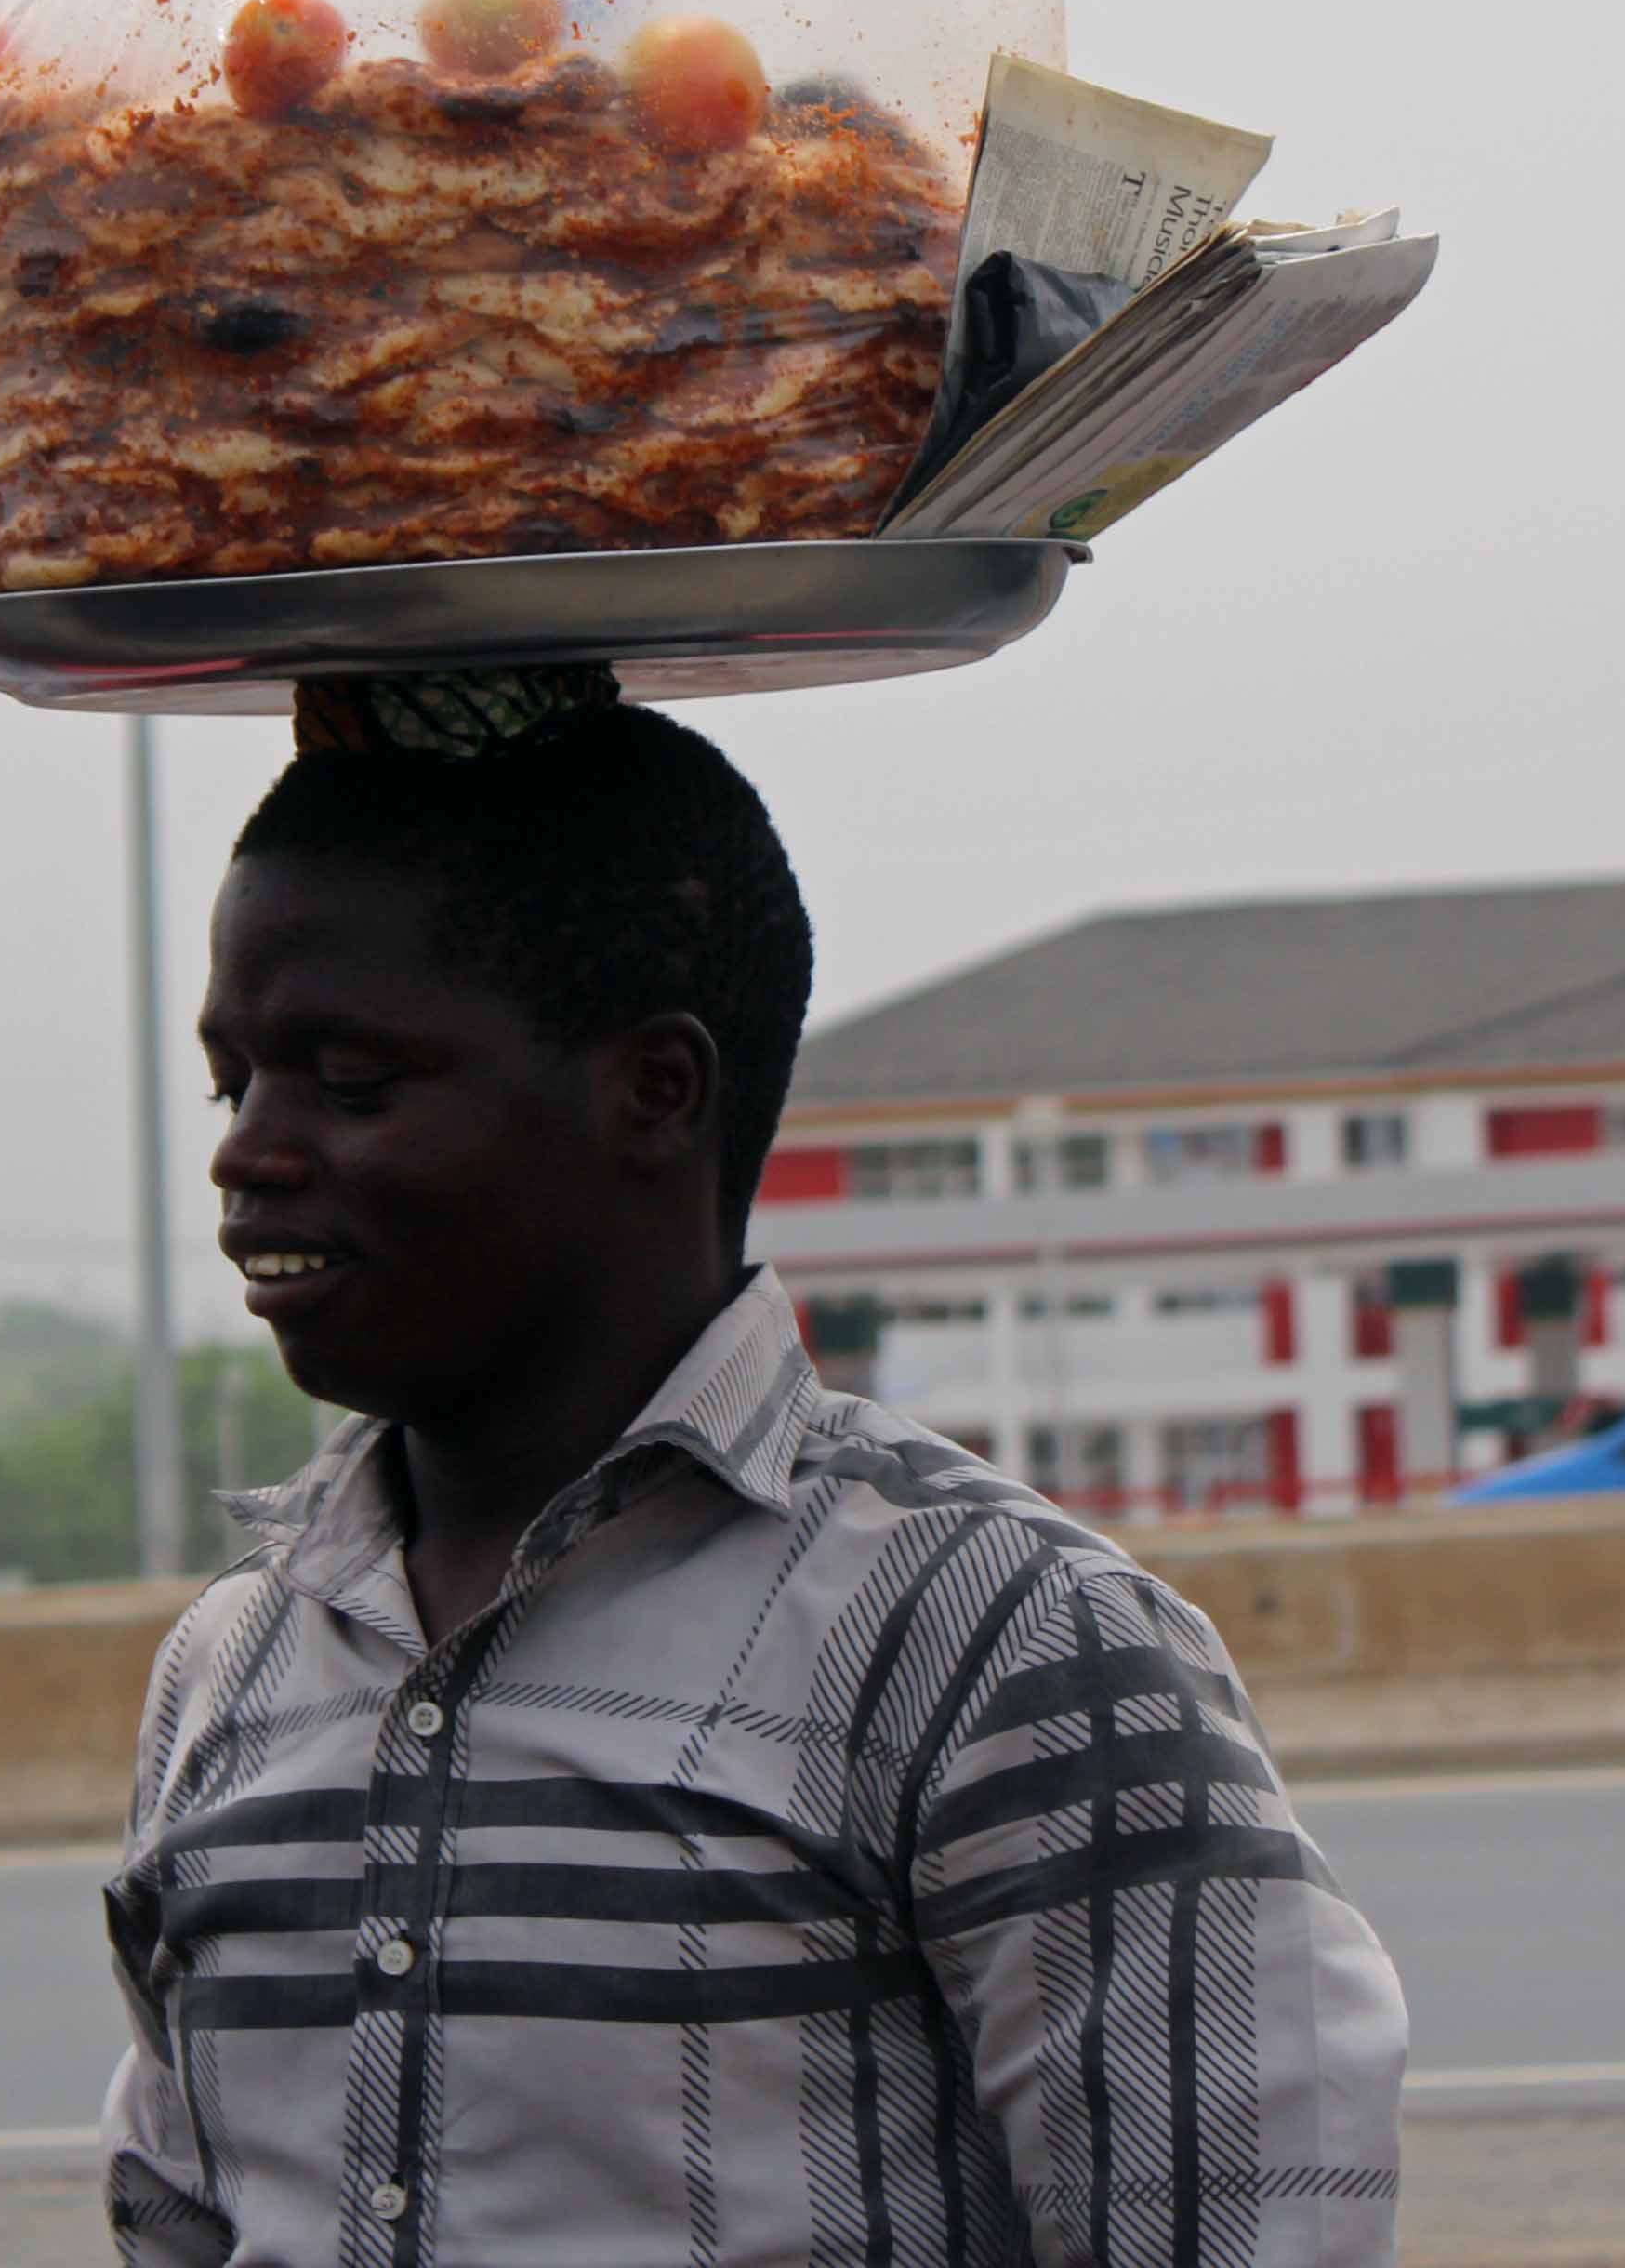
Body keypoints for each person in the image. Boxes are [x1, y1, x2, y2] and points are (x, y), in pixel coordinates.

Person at [100, 699, 1407, 2267]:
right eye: (232, 1082)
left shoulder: (994, 1642)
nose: (252, 1150)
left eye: (352, 1082)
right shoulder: (225, 1673)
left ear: (654, 1092)